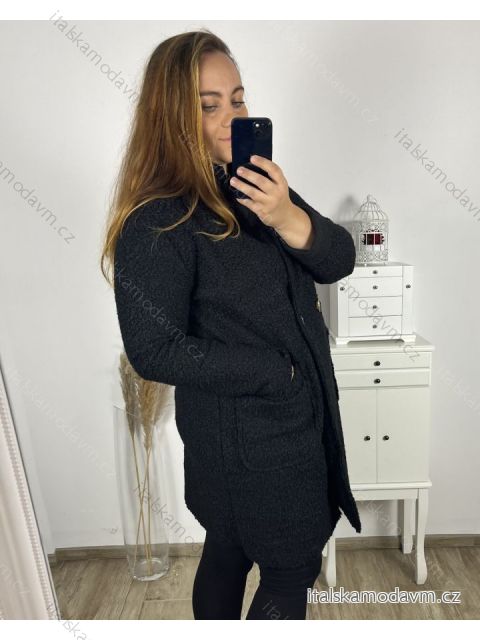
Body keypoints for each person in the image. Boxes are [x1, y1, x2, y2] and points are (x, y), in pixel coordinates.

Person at [101, 28, 361, 620]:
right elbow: (153, 349)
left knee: (226, 550)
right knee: (288, 571)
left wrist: (287, 215)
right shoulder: (158, 219)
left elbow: (339, 260)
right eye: (209, 105)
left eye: (238, 100)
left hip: (286, 428)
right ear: (170, 116)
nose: (231, 118)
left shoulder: (255, 187)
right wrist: (278, 374)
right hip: (251, 445)